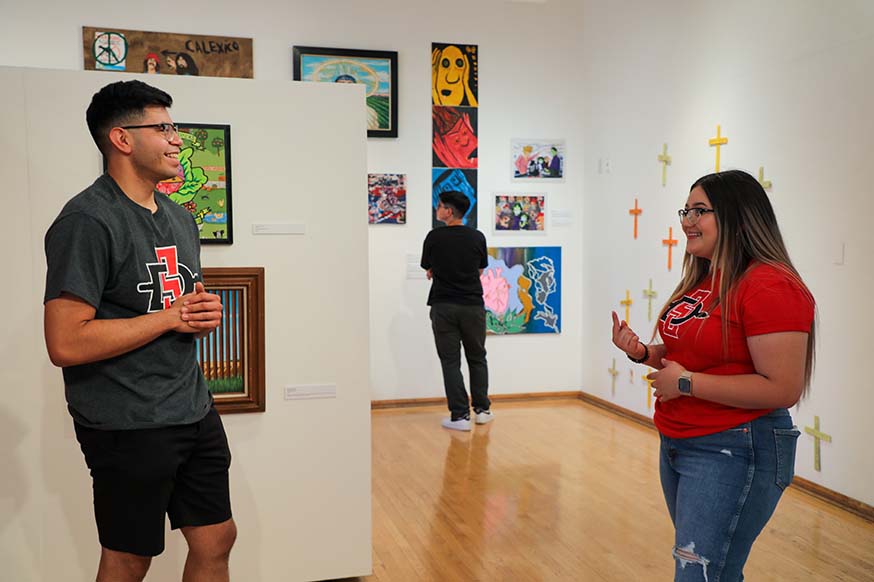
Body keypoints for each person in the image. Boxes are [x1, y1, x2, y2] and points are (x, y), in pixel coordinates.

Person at [43, 80, 236, 582]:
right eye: (165, 128)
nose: (178, 140)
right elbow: (65, 342)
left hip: (191, 406)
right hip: (125, 420)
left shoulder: (179, 218)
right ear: (122, 139)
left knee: (217, 536)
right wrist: (170, 318)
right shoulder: (86, 221)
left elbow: (169, 305)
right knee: (130, 557)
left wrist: (196, 315)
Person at [611, 169, 815, 582]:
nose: (686, 220)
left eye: (699, 210)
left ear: (738, 216)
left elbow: (783, 387)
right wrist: (644, 353)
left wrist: (686, 383)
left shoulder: (770, 285)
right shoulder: (705, 280)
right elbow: (699, 353)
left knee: (702, 575)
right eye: (686, 210)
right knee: (708, 571)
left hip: (736, 448)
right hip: (681, 442)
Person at [421, 190, 492, 431]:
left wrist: (436, 271)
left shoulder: (434, 237)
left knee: (450, 361)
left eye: (439, 206)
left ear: (449, 211)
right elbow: (480, 270)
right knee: (477, 357)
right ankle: (482, 410)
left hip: (443, 306)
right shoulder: (477, 237)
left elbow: (428, 269)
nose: (437, 209)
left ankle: (460, 416)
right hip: (472, 306)